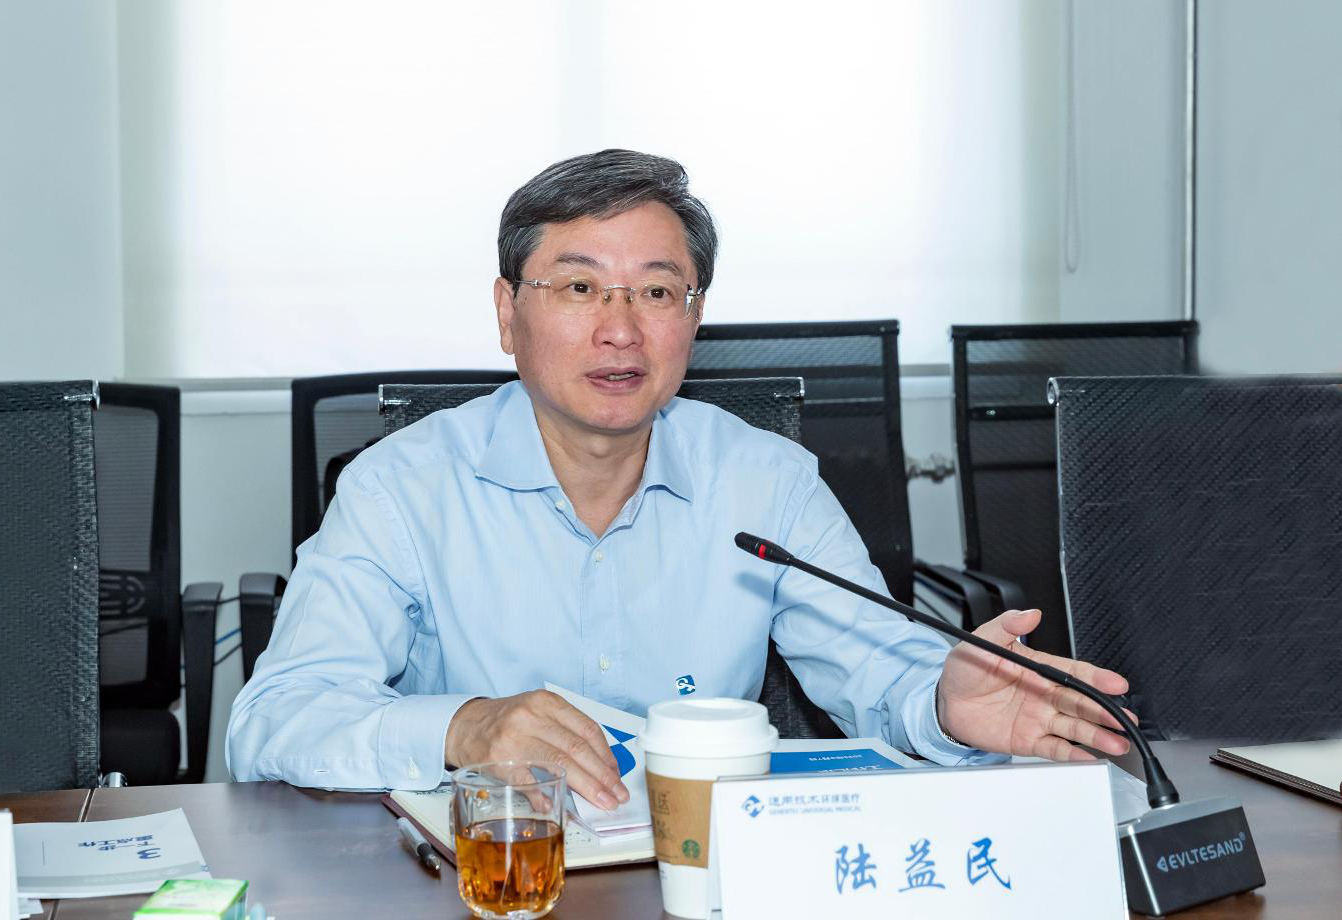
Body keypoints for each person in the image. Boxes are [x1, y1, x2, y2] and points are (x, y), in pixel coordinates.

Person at [227, 149, 1133, 810]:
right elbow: (274, 722)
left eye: (657, 292)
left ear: (693, 320)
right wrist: (463, 728)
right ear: (507, 313)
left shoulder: (765, 481)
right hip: (489, 873)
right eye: (578, 288)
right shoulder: (402, 488)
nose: (621, 328)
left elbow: (881, 672)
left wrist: (942, 701)